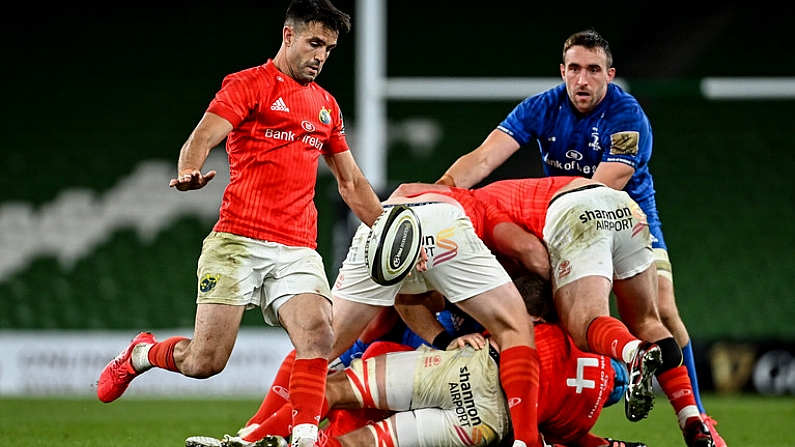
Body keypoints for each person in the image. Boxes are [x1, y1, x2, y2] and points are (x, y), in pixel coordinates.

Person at [96, 3, 383, 447]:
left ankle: (306, 438)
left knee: (319, 335)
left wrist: (386, 230)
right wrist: (190, 170)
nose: (320, 55)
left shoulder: (327, 106)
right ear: (288, 36)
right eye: (313, 43)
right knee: (205, 362)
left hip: (297, 247)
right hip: (238, 241)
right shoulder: (249, 84)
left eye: (328, 48)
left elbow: (351, 182)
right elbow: (201, 138)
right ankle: (140, 354)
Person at [434, 28, 725, 447]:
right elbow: (483, 157)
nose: (582, 80)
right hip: (567, 224)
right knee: (558, 311)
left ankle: (696, 416)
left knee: (660, 309)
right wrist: (440, 190)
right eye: (574, 69)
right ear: (562, 71)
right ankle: (561, 417)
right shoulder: (543, 106)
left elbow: (605, 186)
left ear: (610, 73)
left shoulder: (627, 115)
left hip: (621, 219)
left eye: (593, 70)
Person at [185, 274, 647, 447]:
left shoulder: (543, 331)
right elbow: (562, 438)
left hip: (467, 369)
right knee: (361, 441)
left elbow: (404, 301)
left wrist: (446, 340)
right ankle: (266, 439)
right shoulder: (577, 421)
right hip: (487, 425)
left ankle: (258, 440)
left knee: (326, 381)